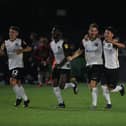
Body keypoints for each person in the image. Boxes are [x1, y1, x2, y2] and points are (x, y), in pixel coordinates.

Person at [68, 23, 104, 109]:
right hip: (88, 65)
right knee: (90, 87)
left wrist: (101, 36)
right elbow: (80, 51)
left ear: (97, 32)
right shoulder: (84, 40)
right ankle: (98, 86)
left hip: (97, 64)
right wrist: (72, 57)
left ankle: (94, 104)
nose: (93, 32)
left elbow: (111, 37)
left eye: (95, 31)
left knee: (92, 84)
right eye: (92, 30)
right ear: (89, 31)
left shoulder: (100, 39)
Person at [0, 26, 32, 107]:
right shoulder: (5, 42)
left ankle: (22, 99)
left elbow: (29, 48)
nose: (11, 34)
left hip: (18, 65)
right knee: (18, 83)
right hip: (11, 65)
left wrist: (22, 50)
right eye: (10, 32)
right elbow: (1, 51)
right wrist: (1, 52)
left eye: (13, 32)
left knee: (12, 81)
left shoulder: (20, 41)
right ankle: (23, 99)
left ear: (17, 34)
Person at [50, 26, 78, 108]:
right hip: (57, 65)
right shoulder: (51, 43)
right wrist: (51, 61)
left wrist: (60, 65)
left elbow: (68, 56)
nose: (53, 34)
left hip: (65, 65)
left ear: (59, 34)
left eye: (55, 33)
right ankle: (61, 103)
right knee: (54, 84)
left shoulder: (64, 43)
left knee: (61, 86)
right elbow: (53, 55)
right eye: (52, 33)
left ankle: (73, 84)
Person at [101, 26, 125, 108]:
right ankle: (109, 104)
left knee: (111, 89)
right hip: (105, 68)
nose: (106, 34)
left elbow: (123, 46)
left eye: (108, 33)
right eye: (105, 33)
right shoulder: (103, 41)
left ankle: (120, 88)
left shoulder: (114, 42)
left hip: (114, 68)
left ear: (112, 34)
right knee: (104, 87)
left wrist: (113, 42)